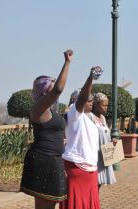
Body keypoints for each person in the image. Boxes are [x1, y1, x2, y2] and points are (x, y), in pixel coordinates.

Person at [20, 49, 73, 209]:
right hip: (44, 159)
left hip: (55, 159)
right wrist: (67, 62)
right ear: (45, 91)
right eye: (51, 86)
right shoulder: (38, 108)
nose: (55, 90)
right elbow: (58, 89)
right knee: (45, 205)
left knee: (52, 203)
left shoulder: (49, 109)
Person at [62, 67, 102, 209]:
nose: (91, 102)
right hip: (77, 168)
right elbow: (83, 96)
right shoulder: (74, 113)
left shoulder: (87, 119)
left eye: (92, 100)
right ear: (76, 100)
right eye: (88, 100)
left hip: (90, 170)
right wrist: (91, 77)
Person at [90, 93, 116, 187]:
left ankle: (95, 201)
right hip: (95, 155)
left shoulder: (103, 118)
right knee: (94, 182)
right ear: (96, 104)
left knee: (99, 182)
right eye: (104, 105)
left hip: (104, 156)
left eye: (107, 105)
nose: (106, 108)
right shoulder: (90, 117)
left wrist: (112, 141)